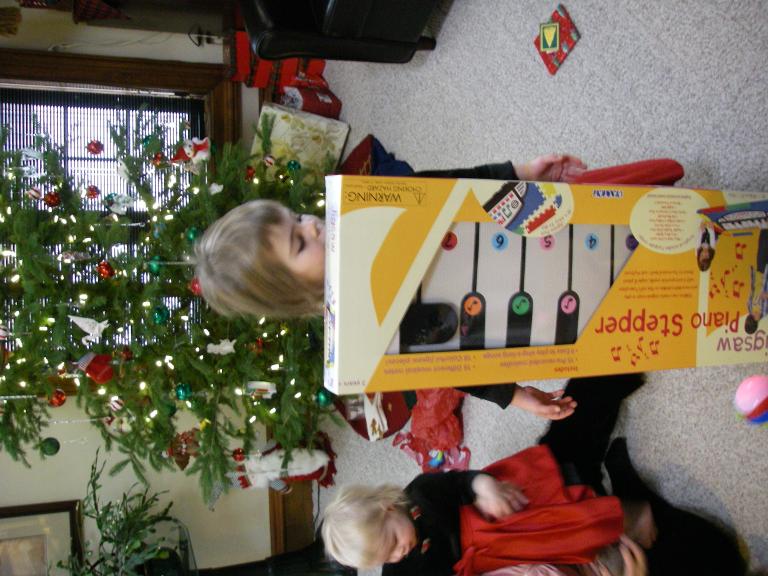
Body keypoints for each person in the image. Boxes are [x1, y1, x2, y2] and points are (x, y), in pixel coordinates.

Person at [194, 155, 586, 421]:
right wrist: (514, 396)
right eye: (298, 243)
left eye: (296, 217)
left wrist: (518, 171)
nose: (311, 224)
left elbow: (448, 187)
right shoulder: (367, 329)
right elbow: (452, 362)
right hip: (518, 309)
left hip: (522, 239)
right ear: (292, 293)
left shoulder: (373, 210)